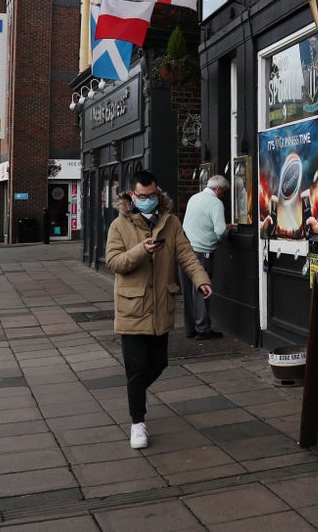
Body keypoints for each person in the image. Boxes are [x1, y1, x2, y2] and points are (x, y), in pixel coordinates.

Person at [106, 170, 211, 450]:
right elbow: (114, 262)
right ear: (132, 195)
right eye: (142, 197)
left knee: (159, 363)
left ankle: (137, 393)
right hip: (132, 307)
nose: (148, 200)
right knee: (136, 368)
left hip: (161, 306)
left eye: (152, 196)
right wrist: (142, 250)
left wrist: (201, 280)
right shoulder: (120, 225)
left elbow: (186, 254)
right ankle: (137, 422)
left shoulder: (171, 222)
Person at [181, 175, 235, 340]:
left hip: (185, 250)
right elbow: (219, 232)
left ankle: (190, 329)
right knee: (202, 291)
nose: (223, 196)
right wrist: (227, 230)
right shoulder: (215, 203)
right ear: (218, 189)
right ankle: (203, 329)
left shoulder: (194, 198)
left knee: (188, 292)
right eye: (223, 192)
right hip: (202, 252)